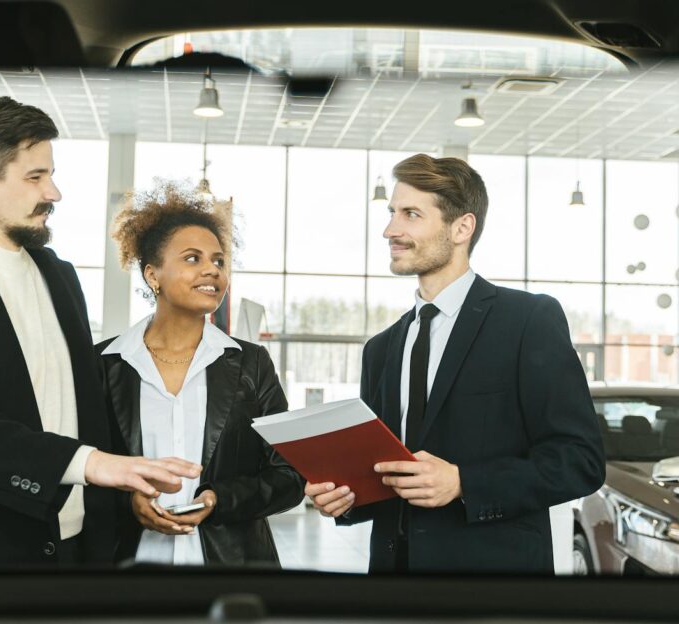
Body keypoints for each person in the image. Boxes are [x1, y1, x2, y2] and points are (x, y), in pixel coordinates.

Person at [0, 97, 200, 570]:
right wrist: (91, 464)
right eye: (35, 177)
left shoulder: (60, 276)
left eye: (50, 174)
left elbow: (86, 405)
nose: (54, 193)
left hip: (79, 556)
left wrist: (126, 487)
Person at [304, 154, 606, 574]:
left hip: (490, 585)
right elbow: (382, 474)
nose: (391, 229)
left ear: (462, 227)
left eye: (411, 214)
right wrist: (345, 499)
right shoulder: (381, 348)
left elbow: (579, 461)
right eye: (392, 213)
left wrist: (464, 482)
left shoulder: (526, 321)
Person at [97, 182, 304, 567]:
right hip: (127, 568)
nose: (212, 269)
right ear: (152, 274)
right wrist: (128, 501)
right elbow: (78, 468)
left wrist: (217, 499)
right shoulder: (103, 365)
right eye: (192, 258)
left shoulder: (251, 364)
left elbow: (289, 476)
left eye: (219, 261)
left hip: (233, 569)